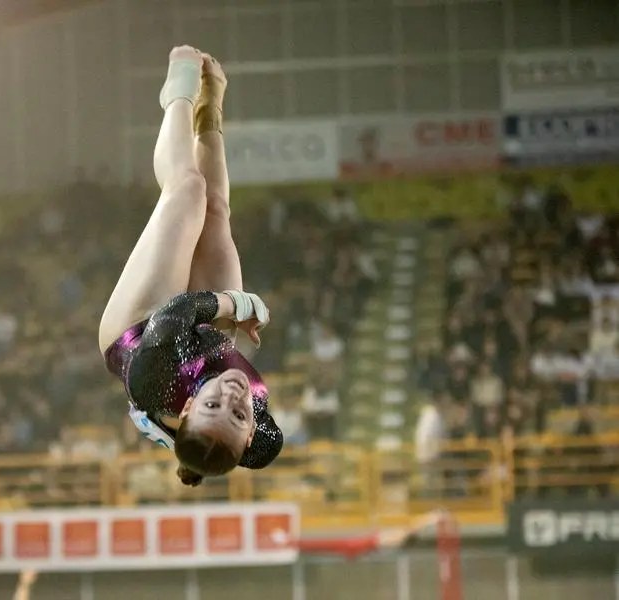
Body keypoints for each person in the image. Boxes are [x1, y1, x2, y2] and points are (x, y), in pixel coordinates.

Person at [99, 46, 282, 487]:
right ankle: (210, 107)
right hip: (201, 337)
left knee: (187, 190)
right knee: (216, 210)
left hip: (142, 328)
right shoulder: (261, 439)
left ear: (185, 410)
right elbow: (259, 451)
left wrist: (238, 304)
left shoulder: (155, 383)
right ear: (252, 429)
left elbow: (178, 310)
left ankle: (177, 91)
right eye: (239, 413)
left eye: (211, 406)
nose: (231, 395)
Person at [294, 511, 447, 560]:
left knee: (324, 545)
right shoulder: (399, 537)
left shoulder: (400, 537)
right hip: (361, 546)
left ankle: (295, 543)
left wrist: (431, 517)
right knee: (323, 547)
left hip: (360, 545)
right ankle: (297, 544)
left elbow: (413, 527)